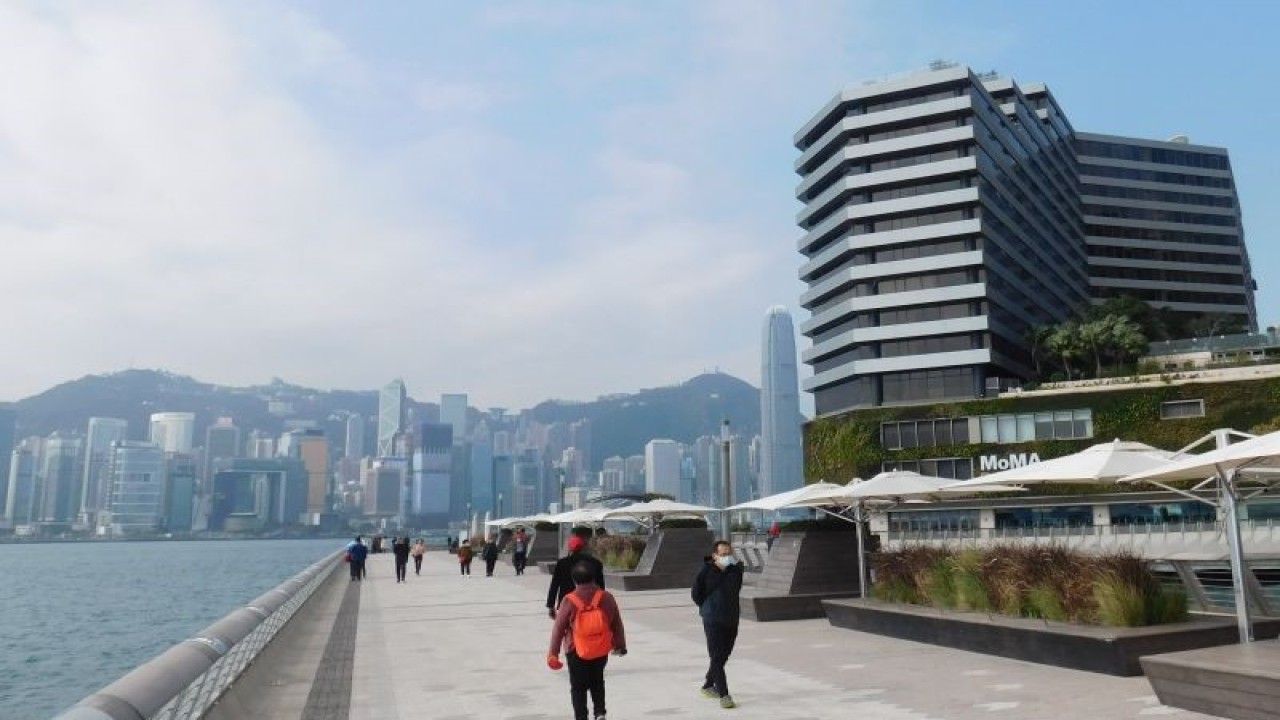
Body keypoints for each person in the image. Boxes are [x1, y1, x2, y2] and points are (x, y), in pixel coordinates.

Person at [547, 561, 627, 720]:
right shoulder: (606, 597)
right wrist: (620, 645)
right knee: (597, 681)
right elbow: (617, 623)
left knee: (578, 687)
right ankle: (600, 712)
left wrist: (553, 653)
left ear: (574, 580)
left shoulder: (569, 599)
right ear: (594, 577)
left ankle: (581, 717)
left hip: (576, 649)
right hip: (601, 648)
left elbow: (558, 628)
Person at [691, 540, 743, 709]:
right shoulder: (705, 570)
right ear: (714, 556)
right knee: (716, 656)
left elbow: (736, 590)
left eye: (729, 554)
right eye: (723, 554)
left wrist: (730, 566)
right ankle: (724, 695)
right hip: (712, 618)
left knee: (723, 655)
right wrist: (707, 607)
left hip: (731, 618)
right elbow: (696, 594)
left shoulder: (736, 570)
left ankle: (708, 685)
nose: (727, 557)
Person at [547, 535, 605, 618]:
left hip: (567, 602)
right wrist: (601, 602)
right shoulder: (595, 563)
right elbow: (601, 585)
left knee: (568, 628)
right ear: (583, 547)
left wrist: (550, 605)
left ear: (569, 548)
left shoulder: (562, 563)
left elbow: (554, 585)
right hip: (590, 602)